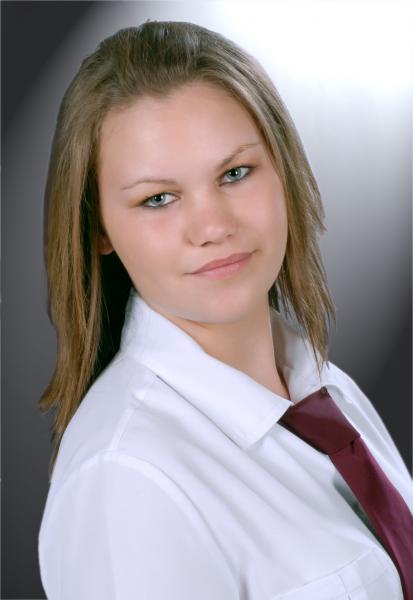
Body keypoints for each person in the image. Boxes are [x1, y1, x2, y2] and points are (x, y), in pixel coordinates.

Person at [37, 20, 413, 600]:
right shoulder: (127, 483)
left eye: (235, 173)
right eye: (158, 198)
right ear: (98, 228)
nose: (213, 226)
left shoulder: (326, 394)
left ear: (284, 170)